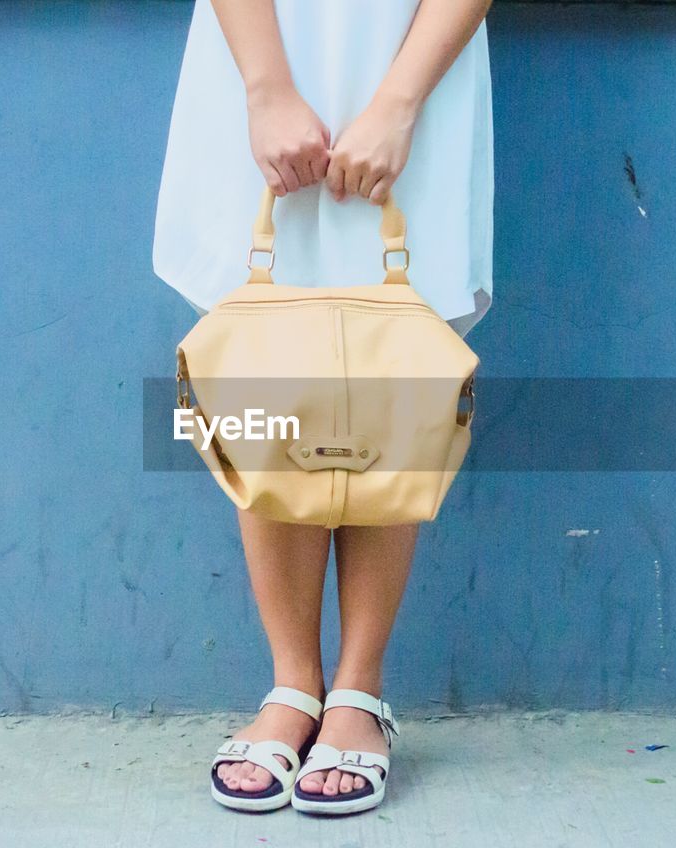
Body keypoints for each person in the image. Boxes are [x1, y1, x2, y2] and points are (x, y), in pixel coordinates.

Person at [152, 0, 494, 815]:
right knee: (264, 372)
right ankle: (293, 685)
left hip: (416, 58)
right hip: (259, 53)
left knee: (394, 371)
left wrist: (400, 100)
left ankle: (358, 694)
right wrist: (267, 88)